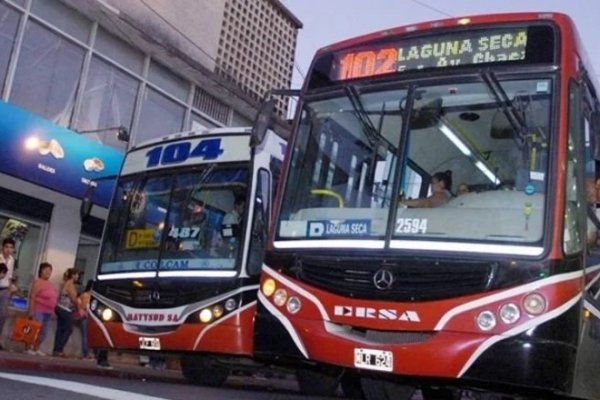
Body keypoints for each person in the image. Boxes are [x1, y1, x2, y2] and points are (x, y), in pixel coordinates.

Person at [26, 262, 57, 356]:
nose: (48, 272)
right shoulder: (38, 282)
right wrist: (31, 310)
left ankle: (36, 348)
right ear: (41, 271)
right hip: (38, 309)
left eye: (50, 270)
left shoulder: (50, 284)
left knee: (44, 331)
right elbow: (32, 296)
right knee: (34, 329)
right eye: (46, 270)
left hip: (48, 311)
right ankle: (28, 348)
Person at [52, 267, 81, 357]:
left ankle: (56, 349)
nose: (78, 276)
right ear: (72, 275)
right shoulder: (70, 285)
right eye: (76, 274)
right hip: (66, 309)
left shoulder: (64, 283)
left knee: (60, 329)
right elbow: (73, 298)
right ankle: (59, 348)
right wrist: (78, 307)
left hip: (59, 307)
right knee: (68, 329)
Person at [0, 238, 16, 349]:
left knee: (2, 316)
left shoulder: (11, 260)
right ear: (2, 247)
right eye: (6, 247)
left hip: (5, 290)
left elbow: (10, 276)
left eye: (11, 247)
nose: (8, 250)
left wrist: (10, 289)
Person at [74, 279, 94, 359]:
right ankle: (86, 353)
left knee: (88, 336)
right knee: (86, 336)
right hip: (85, 317)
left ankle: (87, 352)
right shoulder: (86, 295)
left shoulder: (87, 295)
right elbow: (82, 305)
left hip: (89, 318)